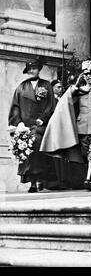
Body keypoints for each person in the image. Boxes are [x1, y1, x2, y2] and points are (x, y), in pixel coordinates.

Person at [40, 59, 91, 191]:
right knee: (86, 155)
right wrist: (74, 87)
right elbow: (66, 103)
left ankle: (88, 180)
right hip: (81, 128)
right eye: (85, 74)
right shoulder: (79, 90)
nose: (88, 76)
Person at [8, 57, 55, 193]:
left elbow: (51, 105)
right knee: (28, 153)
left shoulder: (46, 85)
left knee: (40, 151)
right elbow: (15, 106)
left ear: (39, 69)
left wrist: (43, 118)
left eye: (34, 68)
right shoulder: (21, 87)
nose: (32, 71)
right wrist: (19, 123)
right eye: (30, 69)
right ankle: (32, 183)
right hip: (26, 127)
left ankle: (43, 181)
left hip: (41, 126)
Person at [49, 79, 70, 190]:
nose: (60, 89)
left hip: (62, 131)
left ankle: (63, 180)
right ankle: (56, 182)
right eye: (58, 87)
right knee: (55, 157)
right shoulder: (50, 100)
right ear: (52, 88)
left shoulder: (63, 100)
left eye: (61, 87)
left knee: (62, 157)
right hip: (53, 131)